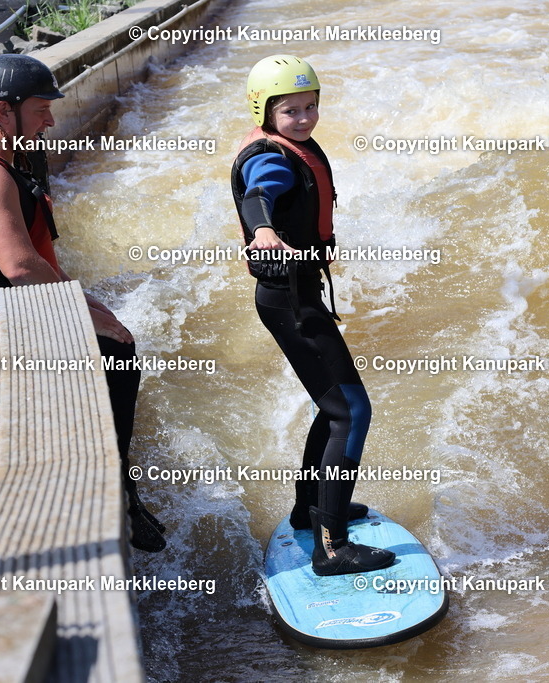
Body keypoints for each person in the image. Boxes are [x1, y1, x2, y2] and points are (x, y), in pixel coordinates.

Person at [0, 54, 165, 552]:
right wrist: (86, 317)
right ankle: (120, 490)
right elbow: (20, 267)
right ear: (4, 111)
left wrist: (86, 303)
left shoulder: (0, 157)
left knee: (110, 336)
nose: (50, 120)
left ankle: (116, 474)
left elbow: (33, 262)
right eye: (42, 109)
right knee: (114, 355)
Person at [230, 55, 395, 577]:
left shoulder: (295, 147)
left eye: (310, 107)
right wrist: (262, 230)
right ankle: (331, 548)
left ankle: (310, 510)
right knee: (352, 412)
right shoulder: (271, 160)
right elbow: (259, 195)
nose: (303, 119)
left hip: (296, 298)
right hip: (292, 303)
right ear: (264, 110)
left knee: (333, 409)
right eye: (290, 111)